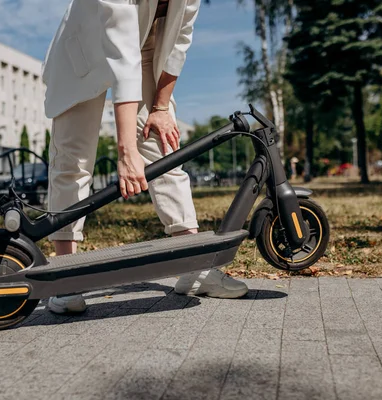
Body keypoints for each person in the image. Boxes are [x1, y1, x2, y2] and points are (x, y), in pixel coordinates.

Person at [42, 0, 248, 314]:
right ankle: (66, 276)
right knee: (73, 162)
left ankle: (194, 267)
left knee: (165, 152)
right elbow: (121, 52)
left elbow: (179, 41)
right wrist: (127, 152)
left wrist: (161, 108)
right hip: (85, 52)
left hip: (146, 53)